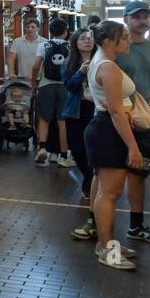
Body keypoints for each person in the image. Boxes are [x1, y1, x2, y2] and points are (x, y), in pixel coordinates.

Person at [85, 21, 144, 269]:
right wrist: (133, 147)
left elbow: (105, 102)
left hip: (105, 128)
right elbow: (116, 113)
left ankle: (106, 244)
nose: (129, 41)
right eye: (125, 37)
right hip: (109, 131)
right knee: (109, 194)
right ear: (109, 41)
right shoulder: (107, 67)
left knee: (105, 192)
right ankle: (107, 250)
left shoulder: (100, 61)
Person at [111, 0, 150, 240]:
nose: (143, 21)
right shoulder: (116, 49)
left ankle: (136, 225)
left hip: (145, 121)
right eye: (137, 17)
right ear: (126, 20)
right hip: (115, 121)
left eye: (146, 16)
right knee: (105, 174)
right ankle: (95, 220)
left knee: (139, 174)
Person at [65, 28, 99, 239]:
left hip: (95, 111)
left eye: (90, 39)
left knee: (92, 151)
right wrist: (80, 72)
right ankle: (89, 180)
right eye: (83, 39)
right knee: (77, 149)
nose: (87, 42)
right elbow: (68, 85)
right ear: (76, 43)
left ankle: (89, 185)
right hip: (75, 111)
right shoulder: (70, 63)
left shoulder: (101, 61)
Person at [31, 17, 76, 167]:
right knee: (62, 122)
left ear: (50, 31)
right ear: (66, 31)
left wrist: (34, 84)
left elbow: (36, 66)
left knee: (44, 118)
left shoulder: (44, 45)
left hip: (45, 85)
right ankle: (63, 155)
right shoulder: (71, 46)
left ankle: (42, 148)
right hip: (65, 86)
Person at [8, 18, 43, 82]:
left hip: (40, 80)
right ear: (25, 28)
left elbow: (45, 63)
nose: (30, 29)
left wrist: (34, 75)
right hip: (22, 79)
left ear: (38, 28)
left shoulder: (44, 42)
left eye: (33, 27)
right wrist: (11, 73)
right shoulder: (17, 41)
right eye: (27, 27)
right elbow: (11, 58)